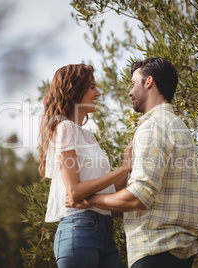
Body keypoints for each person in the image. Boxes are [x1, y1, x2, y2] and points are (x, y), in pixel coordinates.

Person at [66, 58, 198, 268]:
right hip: (181, 251)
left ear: (149, 82)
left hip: (155, 249)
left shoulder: (152, 127)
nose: (130, 92)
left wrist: (90, 200)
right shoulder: (180, 127)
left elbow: (139, 197)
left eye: (133, 84)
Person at [38, 64, 131, 268]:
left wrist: (130, 164)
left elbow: (110, 190)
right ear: (75, 90)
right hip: (79, 229)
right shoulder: (65, 128)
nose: (97, 93)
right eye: (91, 87)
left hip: (105, 232)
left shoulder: (88, 136)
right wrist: (122, 169)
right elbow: (75, 191)